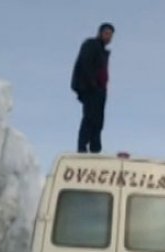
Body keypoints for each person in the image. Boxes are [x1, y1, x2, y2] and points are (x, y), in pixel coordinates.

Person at [71, 22, 113, 154]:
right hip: (91, 88)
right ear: (100, 33)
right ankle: (82, 148)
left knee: (98, 120)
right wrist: (92, 84)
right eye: (106, 33)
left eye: (111, 35)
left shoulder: (103, 51)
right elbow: (85, 63)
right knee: (89, 117)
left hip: (100, 90)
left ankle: (95, 148)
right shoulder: (91, 44)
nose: (108, 37)